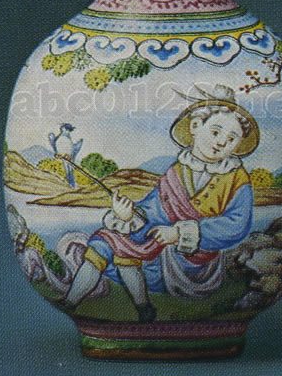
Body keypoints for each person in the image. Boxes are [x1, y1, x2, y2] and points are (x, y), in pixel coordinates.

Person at [64, 84, 259, 322]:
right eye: (216, 132)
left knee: (123, 249)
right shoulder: (177, 172)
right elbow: (154, 211)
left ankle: (143, 306)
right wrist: (128, 216)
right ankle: (73, 303)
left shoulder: (236, 178)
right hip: (160, 247)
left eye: (231, 139)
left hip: (192, 263)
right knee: (106, 241)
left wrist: (178, 234)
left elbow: (237, 225)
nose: (221, 143)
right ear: (196, 127)